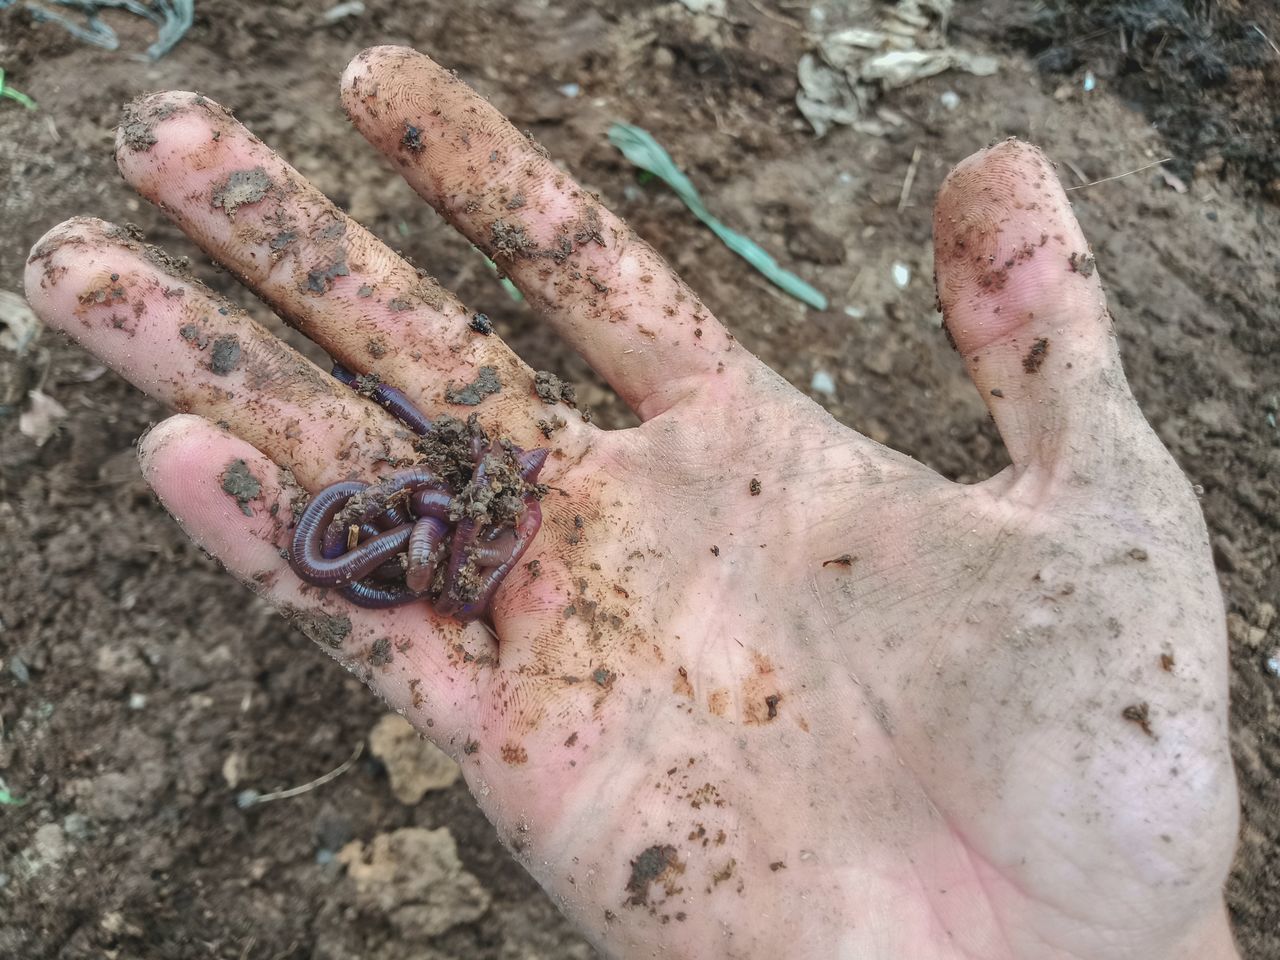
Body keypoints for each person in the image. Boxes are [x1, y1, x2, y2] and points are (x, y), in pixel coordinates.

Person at [24, 45, 1240, 960]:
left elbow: (437, 536)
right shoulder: (445, 528)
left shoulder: (469, 523)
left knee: (360, 529)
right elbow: (422, 539)